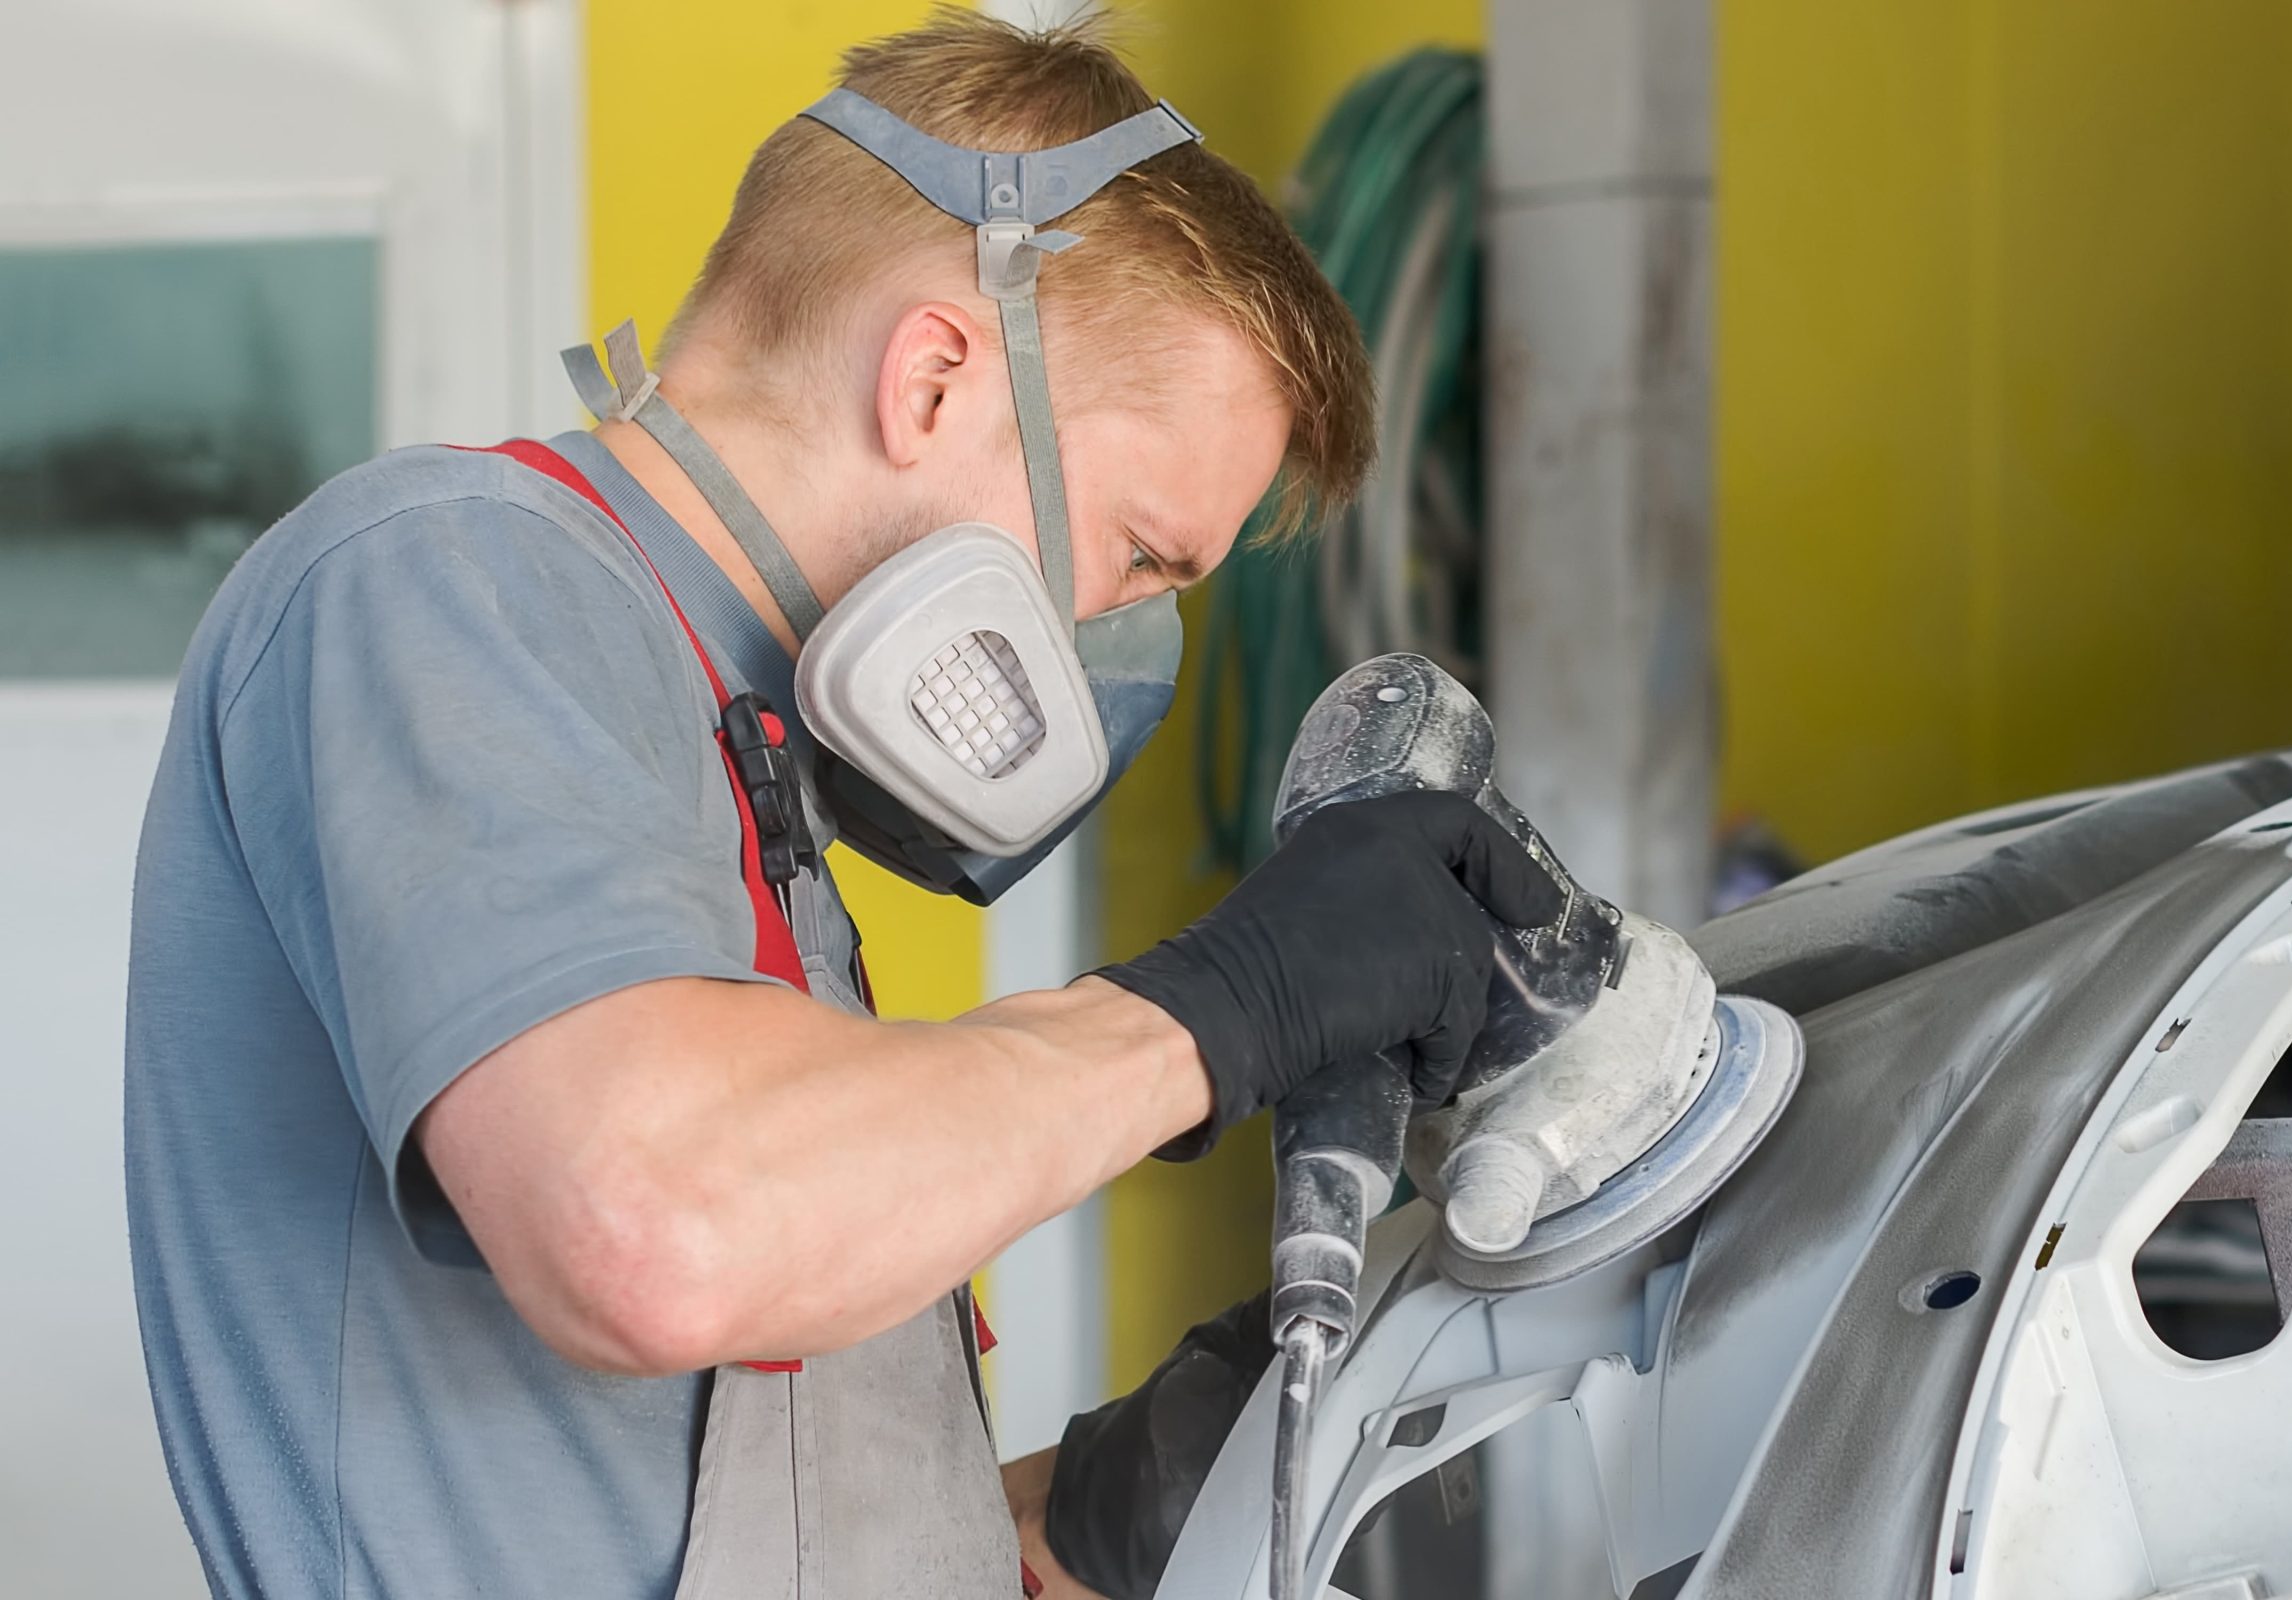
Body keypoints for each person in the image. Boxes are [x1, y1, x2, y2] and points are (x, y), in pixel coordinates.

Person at [124, 14, 1555, 1600]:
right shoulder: (452, 574)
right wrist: (1227, 1004)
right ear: (938, 375)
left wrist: (1105, 1498)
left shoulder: (735, 752)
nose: (1118, 638)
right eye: (1145, 557)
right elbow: (660, 1228)